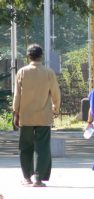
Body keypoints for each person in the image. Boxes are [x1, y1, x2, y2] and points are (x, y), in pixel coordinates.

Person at [12, 44, 61, 187]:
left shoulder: (22, 72)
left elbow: (17, 95)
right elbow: (56, 93)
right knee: (43, 147)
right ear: (41, 56)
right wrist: (55, 109)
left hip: (25, 116)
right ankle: (38, 178)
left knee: (25, 147)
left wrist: (16, 113)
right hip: (43, 116)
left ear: (28, 56)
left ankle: (27, 177)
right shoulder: (48, 72)